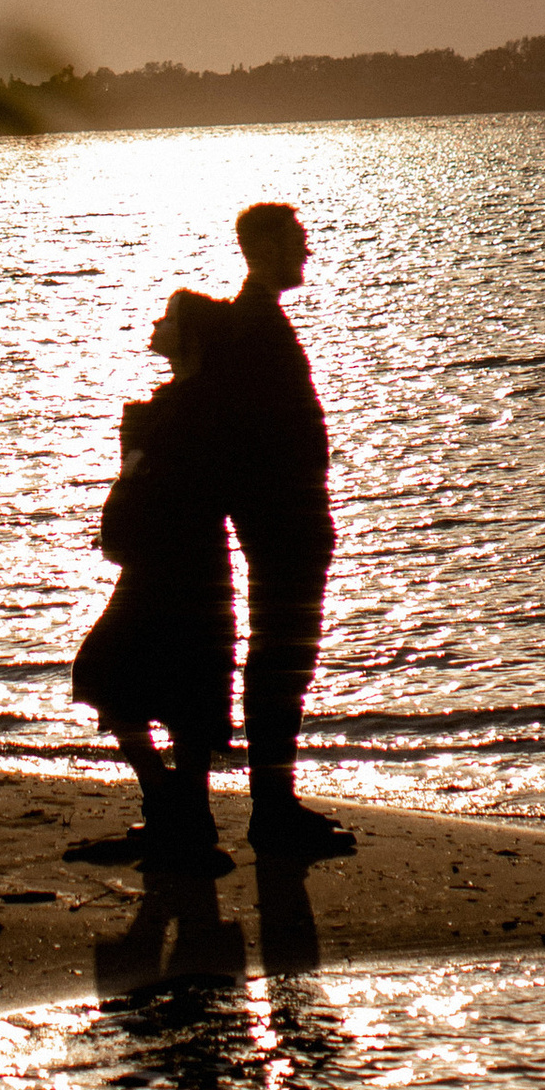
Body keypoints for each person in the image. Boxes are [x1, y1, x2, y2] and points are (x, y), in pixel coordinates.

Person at [204, 200, 357, 862]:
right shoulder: (255, 327)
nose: (308, 252)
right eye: (298, 241)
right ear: (264, 249)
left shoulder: (258, 323)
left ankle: (276, 802)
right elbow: (256, 438)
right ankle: (271, 808)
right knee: (281, 659)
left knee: (284, 658)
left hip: (285, 518)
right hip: (281, 521)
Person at [69, 287, 233, 867]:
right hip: (168, 560)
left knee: (153, 682)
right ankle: (174, 807)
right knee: (122, 674)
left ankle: (183, 813)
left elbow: (178, 484)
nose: (156, 324)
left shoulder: (199, 405)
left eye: (168, 319)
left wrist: (138, 465)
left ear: (189, 338)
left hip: (181, 562)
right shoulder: (172, 402)